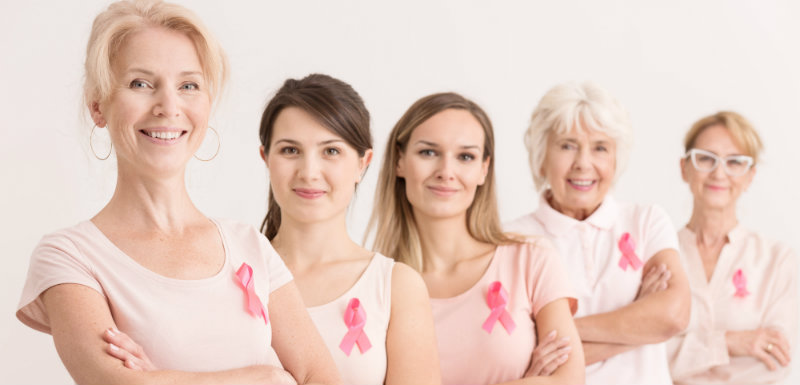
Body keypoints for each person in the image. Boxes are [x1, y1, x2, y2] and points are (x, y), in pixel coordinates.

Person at [15, 1, 340, 384]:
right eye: (141, 83)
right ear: (98, 106)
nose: (169, 106)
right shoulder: (70, 257)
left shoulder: (248, 245)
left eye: (188, 85)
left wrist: (164, 377)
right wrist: (269, 377)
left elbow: (322, 378)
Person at [370, 92, 585, 385]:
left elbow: (570, 379)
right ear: (399, 161)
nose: (446, 172)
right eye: (428, 152)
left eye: (465, 157)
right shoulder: (375, 286)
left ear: (483, 169)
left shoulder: (531, 259)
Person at [256, 74, 440, 385]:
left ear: (362, 163)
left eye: (330, 151)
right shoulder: (235, 272)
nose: (309, 172)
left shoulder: (395, 287)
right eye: (290, 150)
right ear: (266, 158)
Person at [506, 81, 691, 385]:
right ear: (541, 157)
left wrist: (557, 334)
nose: (583, 163)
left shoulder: (646, 221)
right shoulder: (513, 240)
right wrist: (639, 323)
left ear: (616, 159)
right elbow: (518, 352)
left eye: (600, 148)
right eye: (567, 145)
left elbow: (673, 316)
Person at [666, 111, 798, 384]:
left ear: (750, 176)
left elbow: (776, 361)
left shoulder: (778, 261)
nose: (719, 172)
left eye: (735, 162)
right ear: (684, 168)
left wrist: (683, 357)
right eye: (705, 158)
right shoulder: (659, 256)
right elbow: (642, 353)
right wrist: (729, 343)